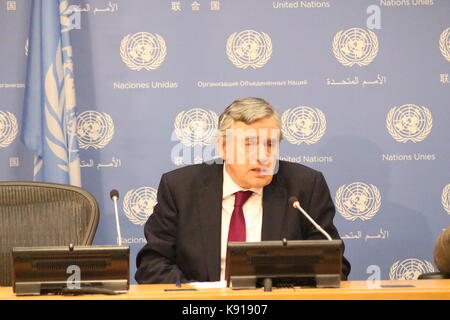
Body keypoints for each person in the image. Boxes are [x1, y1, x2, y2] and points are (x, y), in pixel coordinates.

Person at [135, 97, 351, 283]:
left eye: (269, 144)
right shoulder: (181, 188)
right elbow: (153, 264)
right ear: (223, 148)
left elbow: (333, 266)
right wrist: (196, 298)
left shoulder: (304, 186)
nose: (263, 156)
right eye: (249, 144)